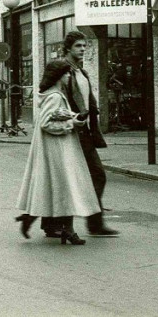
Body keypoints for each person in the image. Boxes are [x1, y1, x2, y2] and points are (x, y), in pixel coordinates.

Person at [42, 31, 118, 238]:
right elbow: (52, 97)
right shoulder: (63, 72)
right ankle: (87, 223)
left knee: (91, 175)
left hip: (83, 130)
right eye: (78, 46)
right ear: (68, 48)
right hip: (70, 129)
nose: (83, 49)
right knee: (83, 175)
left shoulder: (81, 72)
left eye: (84, 46)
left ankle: (81, 222)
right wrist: (68, 120)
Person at [15, 60, 101, 245]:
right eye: (67, 74)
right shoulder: (55, 96)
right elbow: (47, 122)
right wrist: (72, 124)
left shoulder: (55, 95)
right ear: (59, 76)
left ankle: (32, 219)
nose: (69, 77)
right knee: (67, 187)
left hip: (57, 148)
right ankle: (67, 231)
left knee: (59, 189)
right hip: (58, 150)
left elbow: (57, 115)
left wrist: (73, 117)